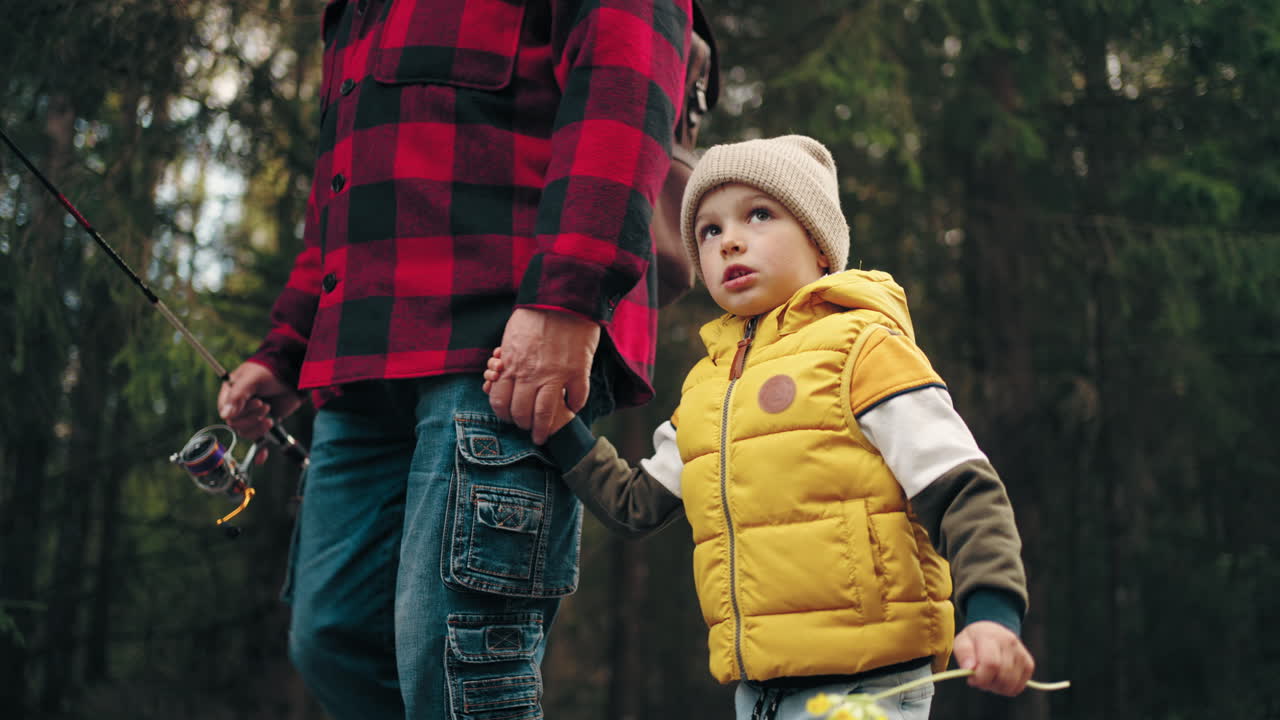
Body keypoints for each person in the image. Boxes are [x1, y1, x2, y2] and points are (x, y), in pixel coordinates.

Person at [215, 1, 693, 718]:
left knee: (459, 667)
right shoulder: (349, 11)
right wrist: (288, 347)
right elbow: (340, 189)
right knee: (335, 638)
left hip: (504, 347)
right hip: (358, 363)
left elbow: (624, 79)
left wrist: (569, 296)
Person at [484, 135, 1036, 720]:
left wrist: (993, 614)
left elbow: (964, 488)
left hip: (866, 688)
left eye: (759, 214)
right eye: (709, 231)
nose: (731, 241)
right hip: (758, 694)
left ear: (821, 246)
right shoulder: (706, 388)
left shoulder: (865, 349)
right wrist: (557, 424)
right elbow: (634, 504)